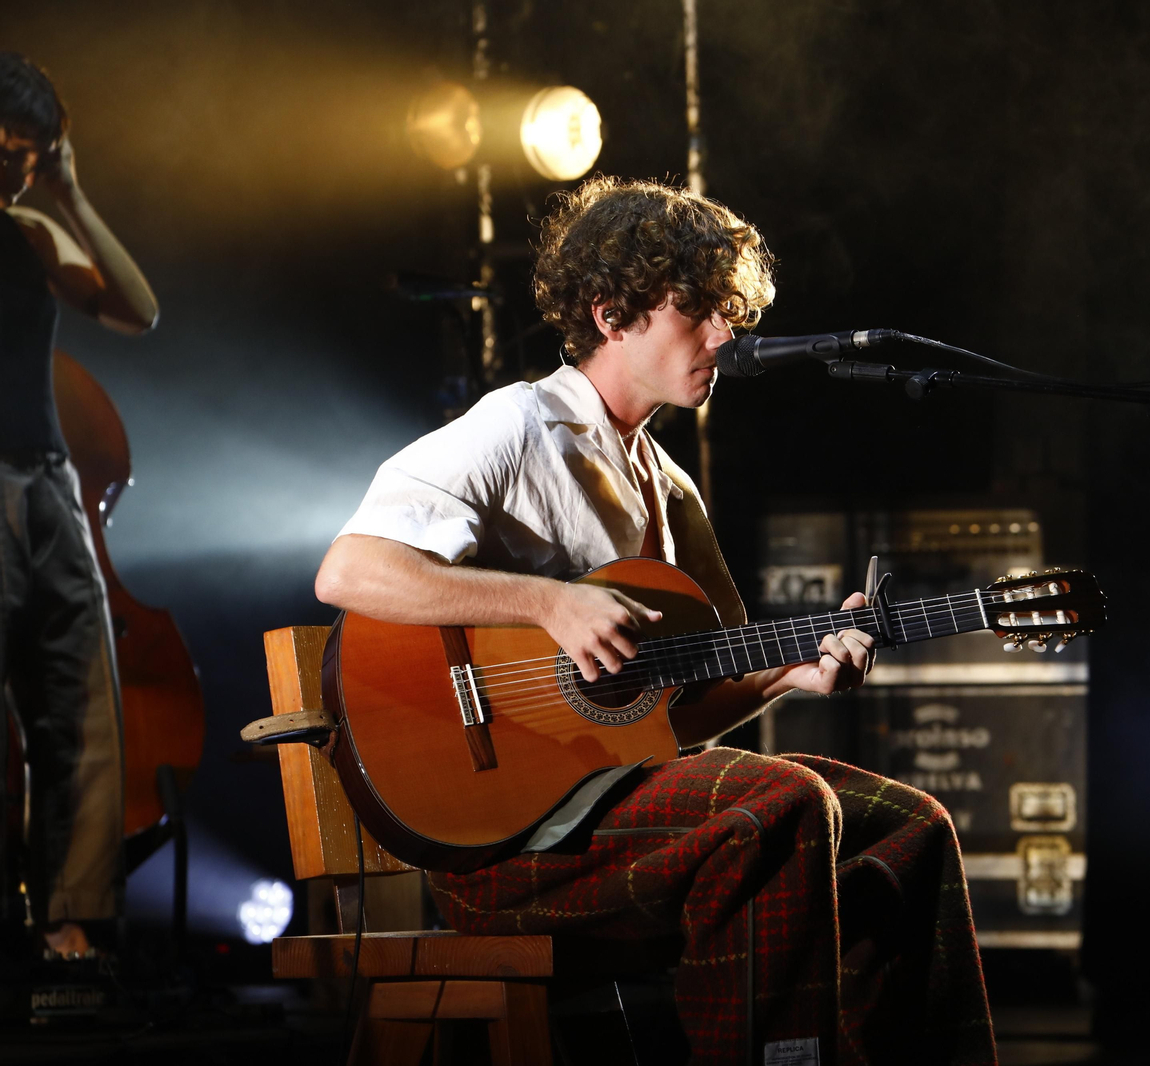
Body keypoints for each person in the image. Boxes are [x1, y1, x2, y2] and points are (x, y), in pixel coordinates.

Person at [315, 175, 997, 1065]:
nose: (726, 333)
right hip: (509, 847)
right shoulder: (518, 428)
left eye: (730, 311)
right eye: (700, 311)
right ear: (611, 314)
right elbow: (350, 569)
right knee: (780, 802)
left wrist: (788, 672)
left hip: (615, 814)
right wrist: (549, 601)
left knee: (912, 827)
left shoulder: (669, 487)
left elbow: (673, 719)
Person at [0, 52, 159, 958]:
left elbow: (137, 311)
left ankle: (70, 921)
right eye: (8, 150)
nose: (17, 168)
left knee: (82, 701)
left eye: (31, 154)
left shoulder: (29, 228)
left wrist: (67, 193)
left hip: (48, 478)